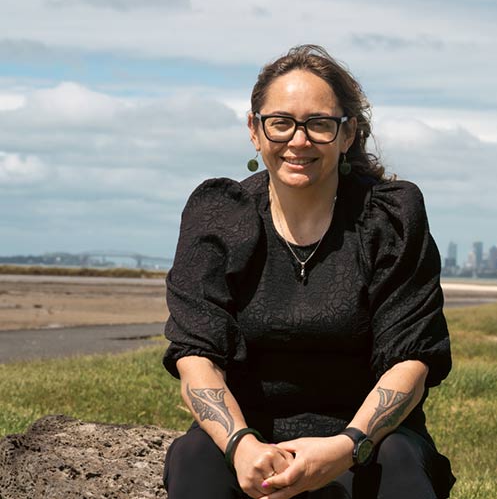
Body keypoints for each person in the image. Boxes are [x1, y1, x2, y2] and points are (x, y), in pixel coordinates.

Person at [161, 44, 454, 499]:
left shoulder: (391, 219)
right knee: (194, 458)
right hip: (248, 437)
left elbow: (410, 359)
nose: (299, 141)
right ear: (255, 131)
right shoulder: (218, 215)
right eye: (281, 123)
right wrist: (240, 445)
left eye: (319, 123)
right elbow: (196, 355)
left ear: (347, 133)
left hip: (368, 442)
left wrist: (347, 446)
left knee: (399, 461)